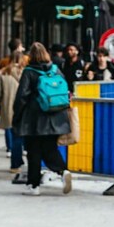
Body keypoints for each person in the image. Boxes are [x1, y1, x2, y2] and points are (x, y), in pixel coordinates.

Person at [12, 42, 72, 196]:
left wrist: (17, 115)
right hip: (57, 116)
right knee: (50, 148)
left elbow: (21, 97)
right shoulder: (55, 70)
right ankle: (63, 171)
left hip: (35, 119)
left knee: (34, 152)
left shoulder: (29, 72)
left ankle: (34, 185)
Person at [0, 54, 26, 173]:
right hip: (23, 109)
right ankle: (19, 160)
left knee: (14, 136)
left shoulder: (3, 73)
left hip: (8, 108)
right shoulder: (26, 72)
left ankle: (15, 164)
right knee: (21, 136)